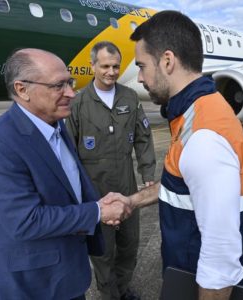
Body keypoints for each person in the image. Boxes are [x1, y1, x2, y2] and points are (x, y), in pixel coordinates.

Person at [105, 10, 243, 300]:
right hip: (186, 277)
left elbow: (220, 260)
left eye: (143, 66)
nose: (141, 79)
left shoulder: (203, 136)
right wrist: (131, 201)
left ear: (168, 61)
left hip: (197, 287)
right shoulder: (195, 111)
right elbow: (185, 184)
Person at [0, 48, 130, 300]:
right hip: (30, 285)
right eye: (59, 85)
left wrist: (96, 203)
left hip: (67, 276)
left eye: (70, 82)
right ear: (22, 89)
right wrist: (98, 211)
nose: (71, 92)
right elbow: (25, 221)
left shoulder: (55, 124)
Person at [66, 41, 156, 300]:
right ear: (93, 66)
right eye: (105, 66)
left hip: (126, 185)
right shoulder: (78, 103)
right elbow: (69, 152)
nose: (111, 71)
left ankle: (124, 288)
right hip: (95, 191)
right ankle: (110, 295)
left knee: (129, 245)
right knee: (103, 251)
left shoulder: (129, 97)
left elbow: (143, 137)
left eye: (115, 66)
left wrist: (148, 174)